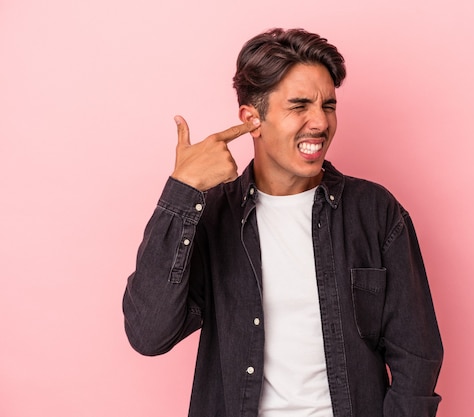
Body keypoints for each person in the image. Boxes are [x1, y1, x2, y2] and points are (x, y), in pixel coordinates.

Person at [123, 28, 443, 417]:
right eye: (299, 105)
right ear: (251, 119)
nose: (320, 123)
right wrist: (182, 191)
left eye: (328, 105)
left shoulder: (375, 212)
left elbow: (417, 354)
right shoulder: (213, 218)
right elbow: (149, 334)